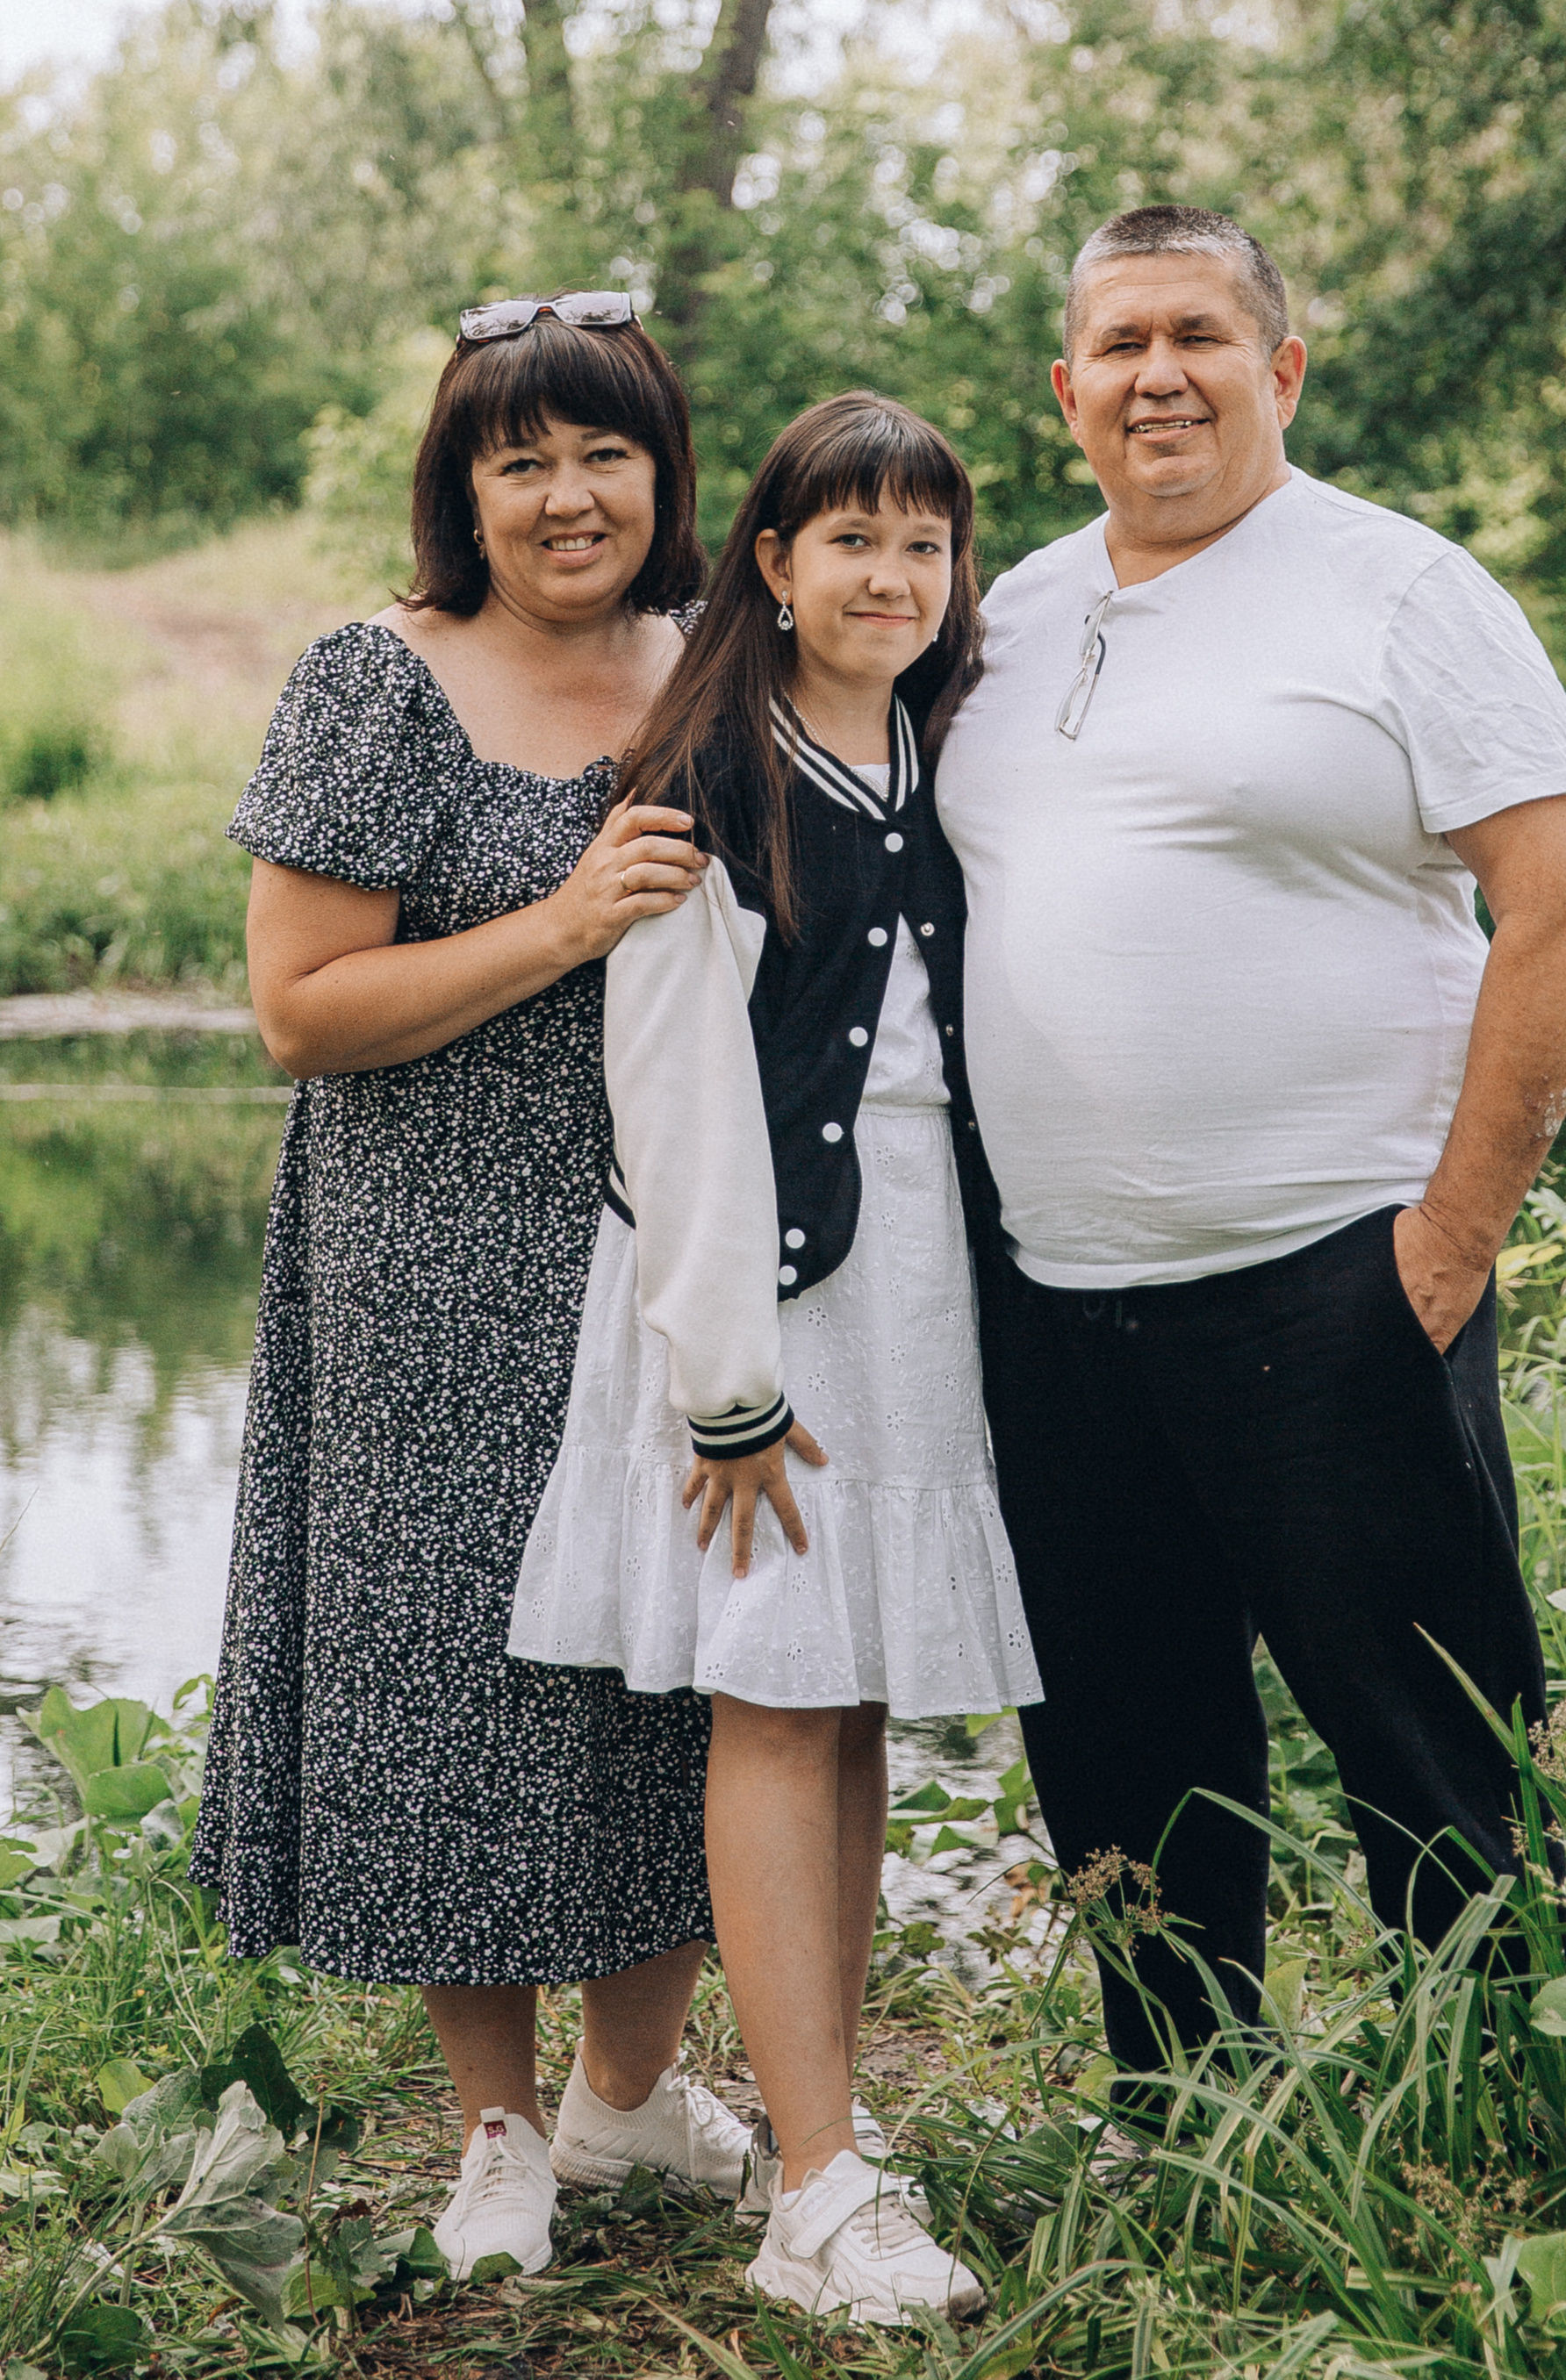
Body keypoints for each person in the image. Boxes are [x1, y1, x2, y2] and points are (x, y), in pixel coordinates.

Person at [935, 208, 1566, 2087]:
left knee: (1429, 1741)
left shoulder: (1400, 591)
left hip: (1334, 1281)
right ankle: (1183, 2119)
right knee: (1124, 1752)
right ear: (1064, 391)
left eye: (1199, 337)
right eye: (1119, 344)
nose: (1157, 376)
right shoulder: (1003, 617)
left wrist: (1448, 1242)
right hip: (1059, 1305)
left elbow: (1559, 909)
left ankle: (1505, 2107)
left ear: (1281, 369)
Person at [193, 291, 754, 2284]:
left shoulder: (721, 664)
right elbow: (299, 1010)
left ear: (664, 473)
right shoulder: (379, 681)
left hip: (679, 1246)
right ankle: (497, 2132)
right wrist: (566, 921)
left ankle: (631, 2093)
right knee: (457, 1672)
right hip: (430, 1263)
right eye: (520, 461)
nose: (567, 494)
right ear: (463, 490)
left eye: (605, 451)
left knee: (675, 1660)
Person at [509, 393, 1038, 2328]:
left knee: (854, 1696)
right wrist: (725, 1382)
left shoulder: (931, 746)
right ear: (774, 563)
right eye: (852, 540)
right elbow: (668, 1102)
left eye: (924, 542)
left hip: (913, 1271)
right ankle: (812, 2198)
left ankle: (813, 2124)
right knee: (780, 1702)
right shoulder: (705, 777)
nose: (892, 574)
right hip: (760, 1283)